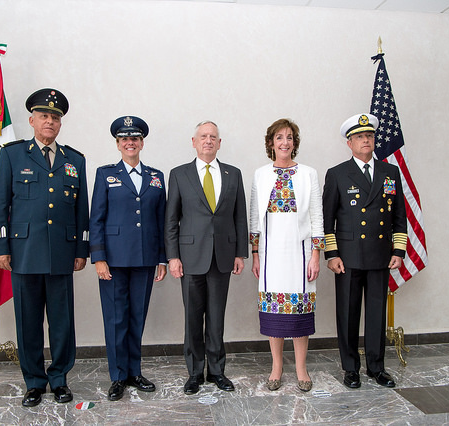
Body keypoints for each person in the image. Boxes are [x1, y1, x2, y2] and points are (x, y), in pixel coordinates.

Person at [0, 88, 89, 407]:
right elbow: (0, 205)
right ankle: (34, 382)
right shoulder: (13, 155)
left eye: (55, 117)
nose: (50, 121)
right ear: (32, 120)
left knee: (62, 324)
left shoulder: (74, 160)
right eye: (44, 116)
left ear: (60, 124)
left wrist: (81, 250)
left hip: (62, 254)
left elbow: (81, 210)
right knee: (28, 321)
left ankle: (59, 379)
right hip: (24, 254)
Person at [322, 113, 407, 389]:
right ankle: (350, 368)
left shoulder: (390, 172)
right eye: (360, 137)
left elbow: (399, 216)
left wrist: (399, 250)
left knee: (376, 314)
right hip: (347, 257)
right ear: (349, 143)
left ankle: (376, 367)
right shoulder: (336, 174)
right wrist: (331, 254)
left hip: (380, 254)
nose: (366, 140)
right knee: (347, 314)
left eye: (369, 136)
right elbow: (327, 219)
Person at [164, 121, 248, 395]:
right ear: (194, 141)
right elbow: (171, 220)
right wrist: (173, 257)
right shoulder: (179, 174)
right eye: (203, 136)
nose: (208, 141)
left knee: (216, 317)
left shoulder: (233, 174)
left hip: (223, 256)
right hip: (189, 258)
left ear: (219, 143)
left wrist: (239, 253)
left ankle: (216, 371)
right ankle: (194, 373)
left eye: (213, 137)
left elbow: (240, 217)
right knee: (192, 317)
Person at [89, 116, 167, 402]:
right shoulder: (105, 174)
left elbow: (161, 222)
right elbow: (96, 218)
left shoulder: (156, 176)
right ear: (118, 144)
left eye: (134, 138)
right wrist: (98, 258)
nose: (130, 143)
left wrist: (161, 258)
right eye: (124, 139)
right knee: (116, 318)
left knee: (136, 317)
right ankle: (118, 375)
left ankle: (135, 371)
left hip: (145, 259)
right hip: (113, 260)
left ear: (142, 143)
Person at [249, 119, 325, 393]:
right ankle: (277, 367)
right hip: (271, 255)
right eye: (279, 137)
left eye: (289, 137)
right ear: (271, 143)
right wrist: (255, 254)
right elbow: (254, 219)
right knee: (274, 312)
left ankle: (302, 368)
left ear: (295, 142)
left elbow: (317, 215)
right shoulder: (261, 174)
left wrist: (316, 254)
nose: (284, 142)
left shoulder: (308, 174)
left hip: (301, 252)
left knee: (300, 311)